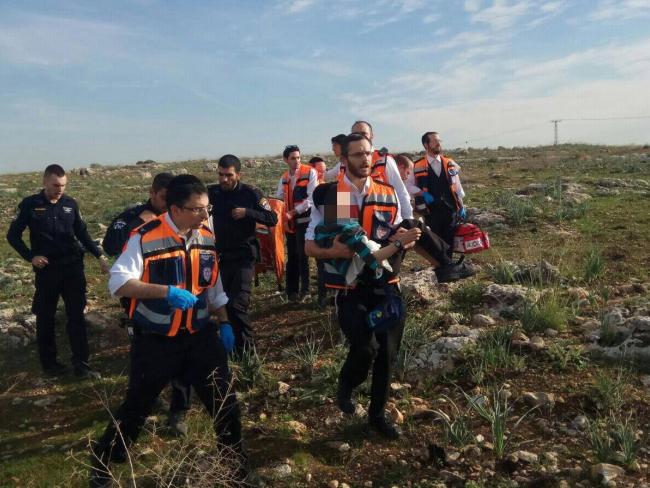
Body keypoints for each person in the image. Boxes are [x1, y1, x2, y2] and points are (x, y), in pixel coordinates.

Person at [90, 175, 245, 487]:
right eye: (198, 209)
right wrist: (165, 292)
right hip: (157, 343)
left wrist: (225, 322)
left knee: (224, 402)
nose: (205, 215)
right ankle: (102, 463)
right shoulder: (144, 237)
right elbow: (118, 283)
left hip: (200, 336)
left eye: (207, 208)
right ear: (176, 209)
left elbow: (213, 288)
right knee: (137, 406)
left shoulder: (206, 236)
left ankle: (234, 465)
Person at [305, 133, 421, 439]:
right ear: (344, 160)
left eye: (368, 153)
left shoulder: (387, 192)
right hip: (351, 288)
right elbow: (317, 247)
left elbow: (395, 232)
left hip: (386, 284)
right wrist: (334, 252)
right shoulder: (334, 195)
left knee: (387, 353)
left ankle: (377, 416)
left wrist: (410, 242)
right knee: (365, 347)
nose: (365, 159)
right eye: (357, 154)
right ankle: (347, 383)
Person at [103, 172, 192, 437]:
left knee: (182, 352)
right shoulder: (135, 217)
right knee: (144, 355)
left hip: (178, 296)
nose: (167, 204)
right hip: (142, 297)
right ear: (153, 194)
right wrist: (138, 227)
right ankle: (145, 399)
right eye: (163, 198)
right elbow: (110, 244)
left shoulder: (181, 218)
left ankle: (179, 409)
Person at [7, 164, 109, 378]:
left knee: (76, 316)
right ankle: (50, 364)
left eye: (63, 185)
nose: (59, 189)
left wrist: (98, 255)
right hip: (47, 271)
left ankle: (81, 363)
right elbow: (13, 235)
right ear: (44, 182)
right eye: (55, 185)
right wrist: (30, 257)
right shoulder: (30, 204)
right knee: (45, 317)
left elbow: (82, 233)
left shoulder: (71, 204)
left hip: (73, 268)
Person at [208, 154, 277, 354]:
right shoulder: (212, 193)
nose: (224, 179)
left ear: (239, 174)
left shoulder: (251, 194)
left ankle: (249, 352)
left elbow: (272, 218)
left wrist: (248, 212)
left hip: (244, 256)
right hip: (220, 257)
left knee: (238, 303)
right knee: (224, 304)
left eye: (228, 175)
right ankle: (233, 350)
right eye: (221, 175)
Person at [408, 131, 467, 255]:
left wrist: (461, 205)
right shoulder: (417, 165)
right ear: (426, 145)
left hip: (450, 209)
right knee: (436, 240)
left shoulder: (450, 163)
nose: (439, 143)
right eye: (435, 141)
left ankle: (450, 266)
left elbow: (457, 186)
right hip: (431, 211)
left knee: (450, 238)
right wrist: (422, 194)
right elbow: (408, 186)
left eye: (439, 141)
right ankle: (440, 266)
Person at [275, 145, 318, 301]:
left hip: (305, 220)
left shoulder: (310, 172)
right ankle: (291, 291)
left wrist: (293, 212)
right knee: (292, 256)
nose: (297, 161)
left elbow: (312, 198)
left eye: (298, 157)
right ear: (286, 160)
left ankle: (305, 290)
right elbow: (279, 197)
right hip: (289, 222)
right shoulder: (285, 177)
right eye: (293, 158)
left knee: (303, 255)